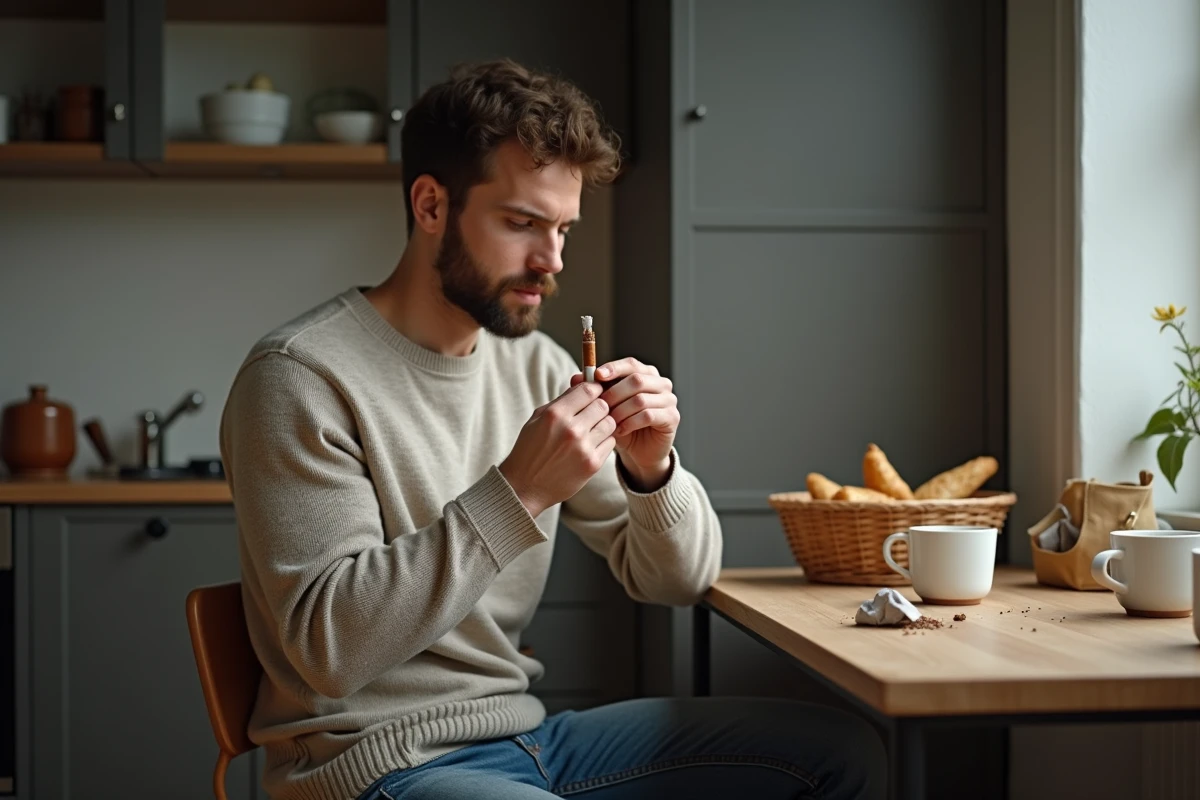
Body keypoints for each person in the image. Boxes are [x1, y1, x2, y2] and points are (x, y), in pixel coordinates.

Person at [219, 59, 887, 800]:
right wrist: (520, 491)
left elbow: (677, 579)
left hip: (522, 738)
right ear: (432, 205)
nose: (552, 261)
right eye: (522, 224)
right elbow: (328, 651)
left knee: (842, 751)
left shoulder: (536, 366)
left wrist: (652, 473)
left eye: (564, 228)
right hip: (372, 765)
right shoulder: (300, 376)